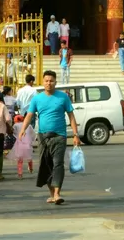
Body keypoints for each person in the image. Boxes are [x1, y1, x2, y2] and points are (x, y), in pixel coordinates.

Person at [19, 70, 81, 205]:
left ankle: (58, 193)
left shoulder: (63, 97)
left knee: (58, 164)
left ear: (55, 82)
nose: (49, 83)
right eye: (46, 81)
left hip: (60, 136)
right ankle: (52, 193)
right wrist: (23, 129)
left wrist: (76, 135)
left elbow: (71, 116)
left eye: (51, 81)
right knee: (45, 165)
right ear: (43, 82)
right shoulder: (37, 98)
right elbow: (29, 115)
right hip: (43, 137)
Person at [10, 113, 34, 179]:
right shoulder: (29, 125)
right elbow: (33, 134)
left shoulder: (15, 125)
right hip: (28, 144)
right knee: (29, 157)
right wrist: (32, 140)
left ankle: (20, 173)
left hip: (19, 143)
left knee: (20, 160)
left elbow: (14, 133)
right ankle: (31, 168)